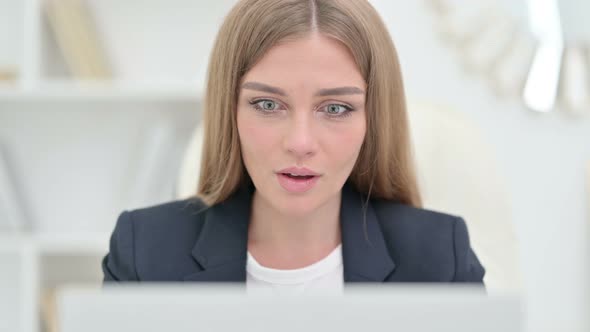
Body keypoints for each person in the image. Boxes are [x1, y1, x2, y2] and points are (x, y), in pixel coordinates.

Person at [102, 0, 485, 292]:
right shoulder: (144, 252)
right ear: (229, 111)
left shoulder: (439, 259)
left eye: (335, 108)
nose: (300, 143)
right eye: (268, 105)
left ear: (372, 119)